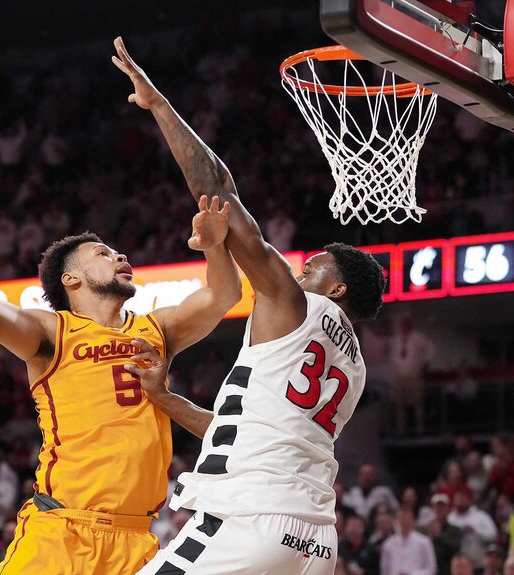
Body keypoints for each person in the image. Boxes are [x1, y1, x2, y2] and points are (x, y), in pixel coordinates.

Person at [0, 190, 242, 573]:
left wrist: (214, 246)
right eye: (102, 254)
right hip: (61, 532)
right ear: (71, 280)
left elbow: (225, 293)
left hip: (136, 538)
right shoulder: (51, 332)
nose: (120, 255)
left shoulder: (158, 329)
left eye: (116, 251)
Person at [113, 36, 387, 574]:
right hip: (313, 542)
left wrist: (159, 107)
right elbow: (246, 430)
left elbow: (218, 189)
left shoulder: (295, 305)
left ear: (337, 290)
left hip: (251, 520)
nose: (299, 270)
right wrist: (166, 401)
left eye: (313, 268)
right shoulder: (353, 367)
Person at [379, 509, 437, 575]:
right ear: (396, 520)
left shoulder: (424, 542)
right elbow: (384, 570)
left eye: (407, 518)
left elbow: (431, 569)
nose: (404, 521)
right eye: (401, 518)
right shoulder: (388, 544)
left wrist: (412, 574)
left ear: (413, 520)